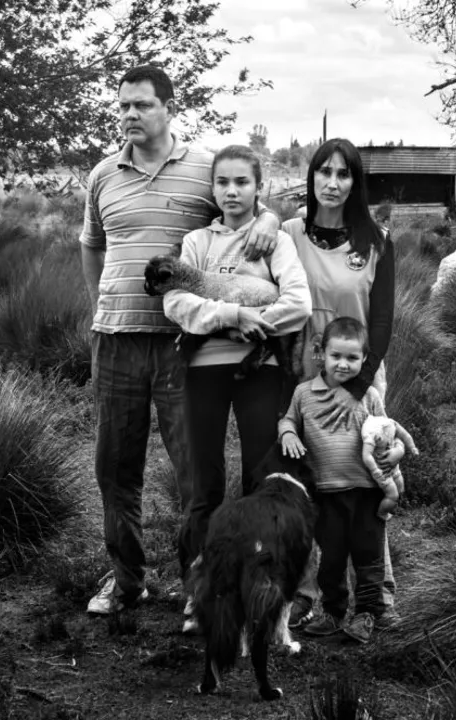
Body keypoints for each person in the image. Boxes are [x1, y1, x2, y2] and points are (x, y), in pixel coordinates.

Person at [80, 66, 281, 616]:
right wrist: (101, 303)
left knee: (195, 472)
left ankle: (202, 584)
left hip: (182, 345)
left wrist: (270, 218)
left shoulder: (201, 170)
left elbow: (243, 202)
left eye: (142, 105)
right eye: (123, 105)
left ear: (169, 108)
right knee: (114, 468)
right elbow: (92, 245)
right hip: (115, 341)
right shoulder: (102, 174)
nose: (130, 114)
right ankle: (126, 581)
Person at [162, 145, 311, 587]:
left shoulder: (275, 242)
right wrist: (231, 316)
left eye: (242, 182)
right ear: (212, 188)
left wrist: (255, 323)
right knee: (203, 483)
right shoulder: (197, 243)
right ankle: (198, 590)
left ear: (258, 187)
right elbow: (176, 302)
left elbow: (299, 303)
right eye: (222, 182)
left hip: (260, 370)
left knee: (260, 478)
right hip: (202, 370)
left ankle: (256, 584)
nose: (232, 191)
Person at [280, 137, 400, 629]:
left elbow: (382, 321)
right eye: (323, 172)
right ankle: (308, 593)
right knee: (312, 485)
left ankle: (378, 595)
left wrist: (357, 387)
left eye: (343, 173)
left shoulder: (377, 241)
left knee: (369, 480)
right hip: (304, 379)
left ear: (355, 182)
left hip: (360, 381)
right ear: (310, 177)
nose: (332, 183)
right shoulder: (288, 233)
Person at [278, 317, 403, 644]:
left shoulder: (369, 396)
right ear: (321, 354)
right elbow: (287, 420)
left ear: (365, 359)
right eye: (336, 356)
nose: (343, 364)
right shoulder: (304, 394)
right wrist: (288, 433)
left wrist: (395, 453)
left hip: (366, 493)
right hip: (326, 494)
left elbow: (388, 432)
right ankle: (333, 612)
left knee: (368, 557)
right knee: (331, 559)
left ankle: (366, 614)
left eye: (352, 358)